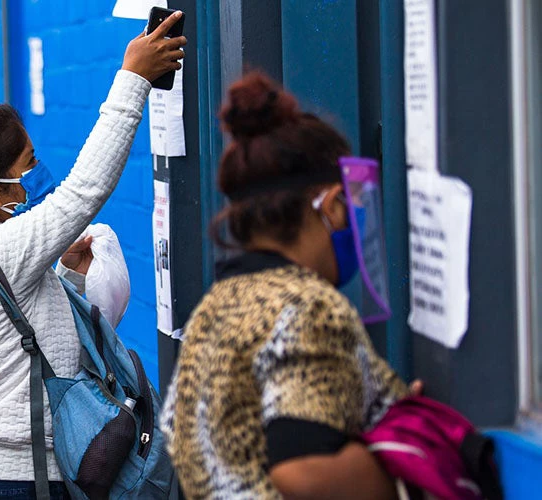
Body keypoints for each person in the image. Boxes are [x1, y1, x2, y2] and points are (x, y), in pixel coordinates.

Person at [0, 12, 186, 498]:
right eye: (29, 164)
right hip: (11, 484)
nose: (40, 172)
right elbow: (85, 190)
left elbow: (28, 342)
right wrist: (133, 81)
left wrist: (70, 280)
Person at [159, 73, 411, 499]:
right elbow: (304, 474)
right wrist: (410, 464)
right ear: (332, 205)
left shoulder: (215, 308)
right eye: (352, 207)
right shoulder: (307, 307)